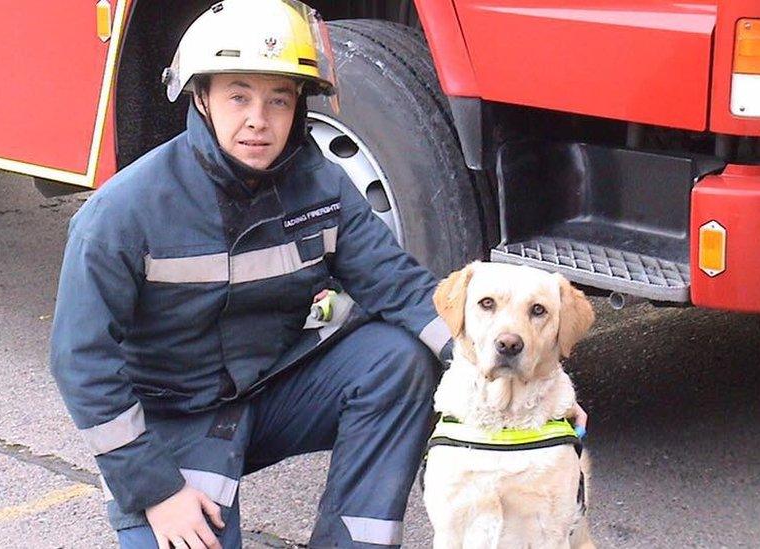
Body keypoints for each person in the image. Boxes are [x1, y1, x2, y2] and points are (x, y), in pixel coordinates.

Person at [50, 1, 583, 547]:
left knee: (395, 361)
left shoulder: (320, 188)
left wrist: (530, 385)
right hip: (172, 422)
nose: (259, 119)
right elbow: (82, 362)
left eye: (278, 101)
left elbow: (399, 287)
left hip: (269, 392)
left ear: (299, 109)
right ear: (201, 99)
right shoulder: (122, 214)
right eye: (238, 96)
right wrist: (156, 490)